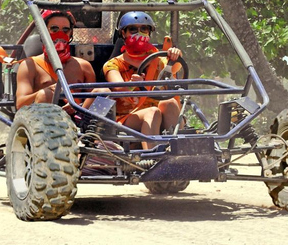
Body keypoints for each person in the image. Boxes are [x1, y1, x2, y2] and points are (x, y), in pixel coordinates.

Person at [101, 11, 182, 146]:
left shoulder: (160, 60)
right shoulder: (114, 64)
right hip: (129, 117)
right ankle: (153, 159)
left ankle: (179, 154)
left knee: (170, 103)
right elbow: (118, 86)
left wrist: (175, 54)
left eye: (143, 29)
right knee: (152, 112)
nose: (139, 33)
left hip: (161, 115)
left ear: (149, 32)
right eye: (133, 29)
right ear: (123, 33)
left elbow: (176, 67)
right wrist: (132, 85)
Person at [15, 10, 96, 110]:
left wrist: (77, 106)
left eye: (65, 30)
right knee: (45, 94)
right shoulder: (29, 65)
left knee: (103, 91)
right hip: (40, 120)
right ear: (43, 32)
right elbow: (20, 104)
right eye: (54, 29)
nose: (60, 34)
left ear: (71, 33)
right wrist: (45, 92)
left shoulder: (84, 66)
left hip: (77, 119)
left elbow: (93, 102)